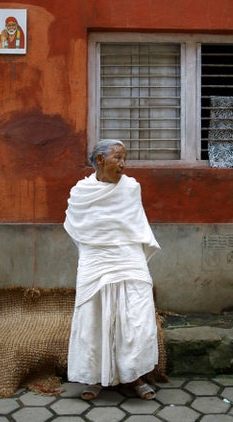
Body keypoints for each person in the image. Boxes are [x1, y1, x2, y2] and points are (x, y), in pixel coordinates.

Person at [63, 139, 161, 401]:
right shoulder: (81, 192)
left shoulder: (131, 188)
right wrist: (95, 251)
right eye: (118, 157)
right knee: (94, 317)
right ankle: (95, 376)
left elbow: (136, 224)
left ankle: (134, 375)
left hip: (129, 257)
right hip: (95, 259)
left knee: (135, 317)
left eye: (124, 157)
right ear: (100, 160)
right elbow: (76, 229)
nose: (123, 163)